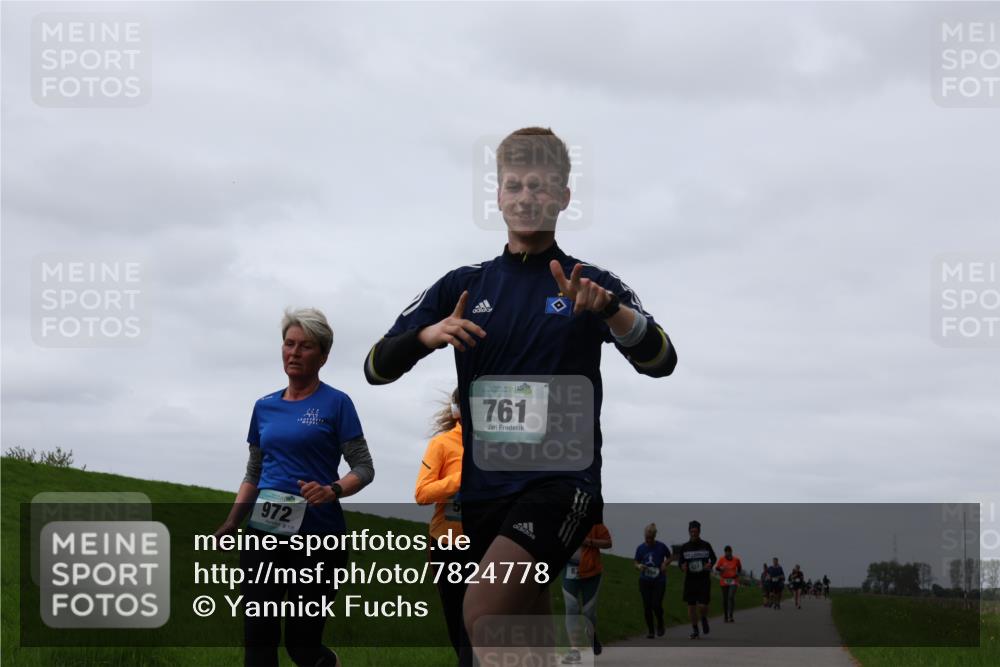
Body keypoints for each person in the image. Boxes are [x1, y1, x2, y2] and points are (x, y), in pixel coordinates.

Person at [363, 127, 677, 660]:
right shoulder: (464, 285)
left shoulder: (591, 282)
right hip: (483, 497)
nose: (526, 197)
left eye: (538, 186)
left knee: (482, 612)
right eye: (514, 185)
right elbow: (376, 367)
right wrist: (427, 336)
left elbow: (661, 361)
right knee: (524, 647)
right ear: (499, 196)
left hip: (561, 486)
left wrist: (608, 311)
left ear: (562, 197)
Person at [216, 308, 375, 667]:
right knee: (258, 636)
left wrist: (332, 489)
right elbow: (254, 471)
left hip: (319, 537)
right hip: (263, 533)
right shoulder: (264, 407)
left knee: (302, 646)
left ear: (323, 355)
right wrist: (232, 521)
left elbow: (364, 467)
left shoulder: (337, 403)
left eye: (305, 346)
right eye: (289, 344)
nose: (294, 352)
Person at [414, 389, 471, 666]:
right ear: (457, 409)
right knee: (456, 619)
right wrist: (461, 480)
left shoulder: (499, 447)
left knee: (481, 619)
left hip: (488, 544)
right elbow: (422, 493)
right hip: (447, 544)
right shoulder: (443, 444)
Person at [561, 523, 612, 664]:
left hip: (592, 573)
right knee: (571, 608)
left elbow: (608, 543)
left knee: (589, 613)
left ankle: (592, 636)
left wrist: (589, 541)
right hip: (570, 569)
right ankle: (574, 650)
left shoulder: (595, 523)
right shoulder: (565, 520)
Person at [677, 520, 717, 639]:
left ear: (699, 532)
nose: (693, 533)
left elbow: (713, 558)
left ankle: (704, 618)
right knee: (691, 607)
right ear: (689, 532)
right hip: (690, 580)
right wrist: (682, 566)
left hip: (703, 579)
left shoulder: (706, 545)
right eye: (691, 531)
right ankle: (695, 629)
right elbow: (680, 563)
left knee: (702, 606)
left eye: (695, 531)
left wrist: (710, 564)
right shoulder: (685, 547)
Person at [634, 523, 672, 639]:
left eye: (651, 538)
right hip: (645, 580)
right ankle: (651, 631)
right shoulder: (641, 548)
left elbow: (670, 556)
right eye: (647, 538)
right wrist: (639, 566)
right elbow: (635, 561)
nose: (648, 540)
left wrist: (665, 564)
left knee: (656, 604)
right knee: (647, 606)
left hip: (659, 580)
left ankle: (660, 623)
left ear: (654, 536)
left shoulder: (661, 546)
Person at [714, 545, 743, 623]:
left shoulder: (736, 559)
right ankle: (726, 616)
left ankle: (731, 615)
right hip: (724, 580)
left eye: (729, 552)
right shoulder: (721, 559)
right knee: (725, 599)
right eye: (726, 552)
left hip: (733, 580)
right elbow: (717, 568)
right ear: (725, 552)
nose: (727, 553)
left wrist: (738, 574)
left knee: (730, 597)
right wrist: (720, 568)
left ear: (731, 552)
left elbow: (740, 568)